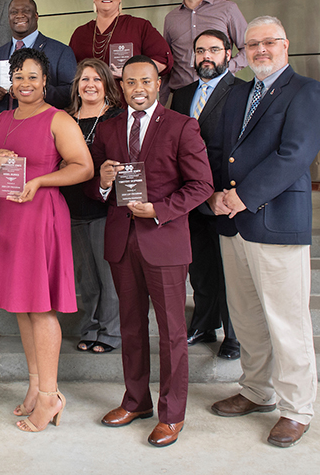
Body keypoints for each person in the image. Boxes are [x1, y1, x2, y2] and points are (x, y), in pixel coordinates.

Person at [208, 16, 320, 448]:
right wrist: (216, 195)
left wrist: (241, 196)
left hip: (276, 220)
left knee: (287, 319)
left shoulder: (306, 92)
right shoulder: (237, 91)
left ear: (286, 45)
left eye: (269, 42)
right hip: (232, 222)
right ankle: (256, 391)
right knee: (245, 317)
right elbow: (221, 152)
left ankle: (296, 409)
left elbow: (293, 155)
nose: (261, 49)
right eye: (253, 43)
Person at [88, 55, 213, 447]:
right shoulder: (107, 130)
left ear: (159, 84)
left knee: (173, 332)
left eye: (145, 81)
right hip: (122, 242)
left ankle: (172, 414)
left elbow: (201, 186)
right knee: (131, 327)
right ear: (121, 86)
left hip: (164, 241)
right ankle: (136, 400)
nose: (137, 88)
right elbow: (96, 190)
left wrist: (159, 210)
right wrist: (104, 182)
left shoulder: (182, 126)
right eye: (129, 82)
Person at [0, 48, 93, 433]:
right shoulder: (2, 118)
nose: (25, 83)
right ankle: (34, 384)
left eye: (33, 76)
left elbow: (83, 167)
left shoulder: (57, 119)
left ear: (45, 81)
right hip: (10, 219)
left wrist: (41, 179)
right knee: (22, 307)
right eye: (19, 76)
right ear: (11, 81)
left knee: (40, 307)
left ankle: (50, 396)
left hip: (41, 215)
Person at [170, 29, 246, 359]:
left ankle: (235, 335)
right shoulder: (183, 92)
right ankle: (203, 323)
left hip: (226, 196)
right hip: (191, 195)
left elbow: (244, 147)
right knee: (200, 265)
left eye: (214, 50)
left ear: (228, 55)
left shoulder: (242, 92)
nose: (206, 56)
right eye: (200, 50)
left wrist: (221, 192)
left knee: (229, 269)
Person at [59, 59, 123, 355]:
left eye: (97, 79)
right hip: (71, 206)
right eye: (85, 79)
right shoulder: (65, 118)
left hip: (104, 206)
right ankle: (90, 327)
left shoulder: (117, 117)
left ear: (107, 85)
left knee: (107, 274)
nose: (90, 85)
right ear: (77, 86)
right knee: (86, 276)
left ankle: (110, 332)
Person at [162, 0, 248, 104]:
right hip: (181, 97)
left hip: (220, 95)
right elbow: (167, 63)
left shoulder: (228, 9)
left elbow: (249, 48)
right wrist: (161, 103)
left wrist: (227, 68)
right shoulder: (171, 19)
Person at [68, 0, 172, 84]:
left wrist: (130, 72)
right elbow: (69, 71)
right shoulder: (80, 33)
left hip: (126, 99)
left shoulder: (139, 26)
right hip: (90, 99)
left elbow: (163, 61)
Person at [0, 0, 77, 115]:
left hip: (44, 125)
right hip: (6, 126)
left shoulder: (61, 51)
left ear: (36, 16)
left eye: (26, 11)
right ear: (8, 18)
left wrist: (39, 91)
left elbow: (72, 92)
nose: (19, 15)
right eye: (14, 12)